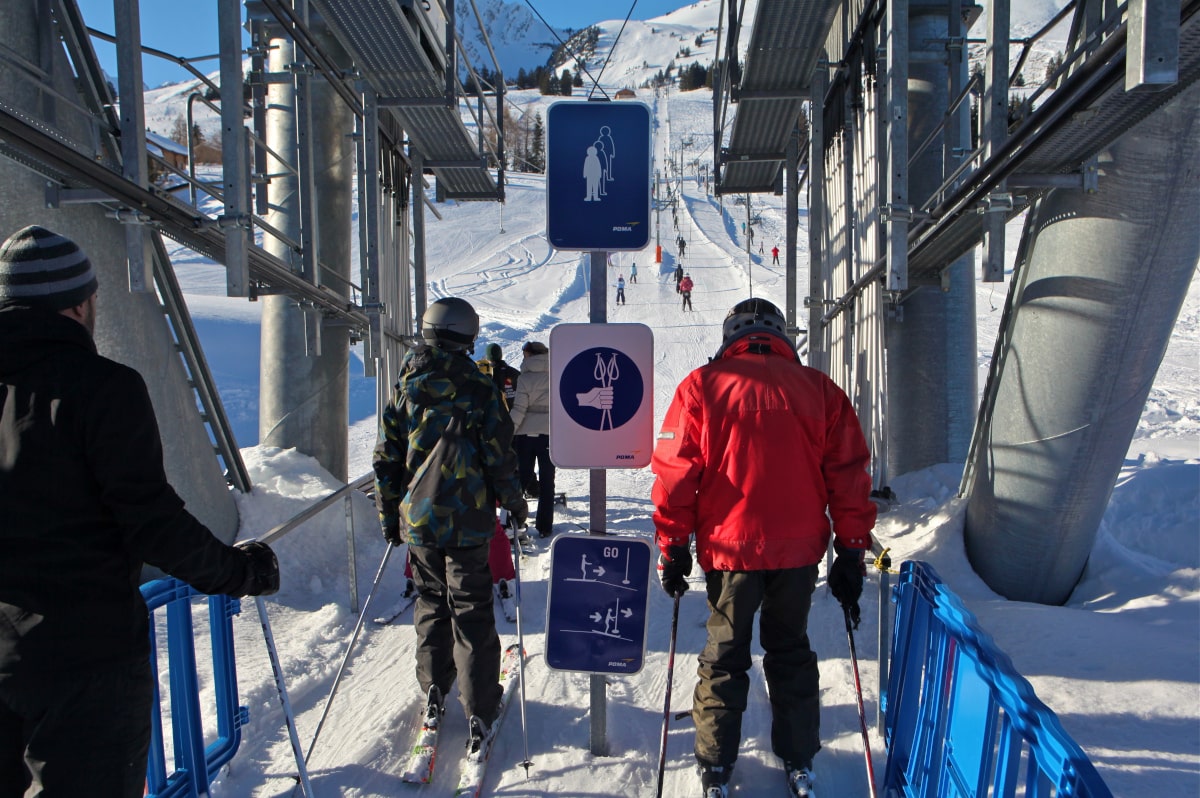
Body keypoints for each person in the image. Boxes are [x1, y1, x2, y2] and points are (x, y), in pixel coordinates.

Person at [0, 225, 280, 797]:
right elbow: (152, 520)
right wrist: (239, 572)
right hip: (86, 657)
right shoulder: (103, 387)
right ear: (79, 305)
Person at [651, 298, 876, 798]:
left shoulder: (701, 386)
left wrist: (673, 544)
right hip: (797, 552)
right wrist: (851, 549)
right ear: (781, 336)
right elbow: (848, 474)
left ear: (730, 335)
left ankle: (715, 764)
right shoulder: (819, 389)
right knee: (789, 646)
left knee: (725, 655)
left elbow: (675, 473)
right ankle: (799, 757)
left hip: (729, 551)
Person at [373, 296, 528, 758]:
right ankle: (480, 707)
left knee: (431, 602)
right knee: (471, 608)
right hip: (469, 521)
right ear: (468, 335)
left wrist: (389, 517)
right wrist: (515, 504)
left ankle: (434, 688)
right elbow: (500, 456)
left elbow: (387, 458)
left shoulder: (406, 387)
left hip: (420, 520)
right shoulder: (480, 389)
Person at [509, 341, 555, 538]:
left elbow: (520, 408)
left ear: (529, 355)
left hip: (525, 436)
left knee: (520, 479)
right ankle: (545, 526)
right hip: (549, 435)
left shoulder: (524, 378)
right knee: (547, 481)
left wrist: (508, 431)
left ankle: (515, 522)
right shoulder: (556, 374)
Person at [478, 342, 520, 409]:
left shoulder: (486, 376)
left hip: (494, 413)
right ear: (501, 355)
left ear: (487, 358)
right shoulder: (515, 373)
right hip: (516, 413)